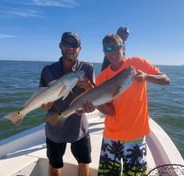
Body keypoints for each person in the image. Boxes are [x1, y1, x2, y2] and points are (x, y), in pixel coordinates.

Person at [95, 34, 170, 175]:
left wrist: (147, 77)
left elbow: (166, 80)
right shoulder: (102, 78)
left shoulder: (137, 63)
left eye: (116, 47)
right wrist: (96, 105)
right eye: (108, 48)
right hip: (111, 135)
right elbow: (110, 111)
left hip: (135, 135)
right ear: (104, 52)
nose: (113, 51)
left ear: (123, 47)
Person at [39, 32, 95, 176]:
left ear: (79, 48)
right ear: (60, 46)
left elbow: (94, 94)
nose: (70, 48)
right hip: (55, 126)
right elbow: (41, 99)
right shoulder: (48, 70)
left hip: (79, 126)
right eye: (66, 44)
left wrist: (88, 86)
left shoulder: (87, 69)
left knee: (84, 161)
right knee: (55, 164)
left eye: (74, 45)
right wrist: (45, 105)